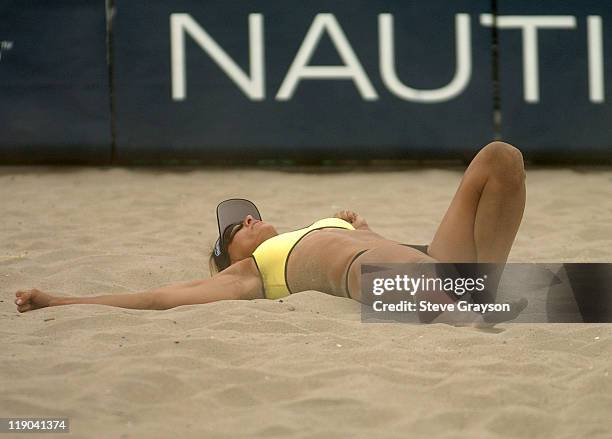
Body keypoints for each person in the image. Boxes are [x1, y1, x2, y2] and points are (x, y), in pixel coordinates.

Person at [14, 142, 527, 325]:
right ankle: (476, 301)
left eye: (248, 215)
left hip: (423, 264)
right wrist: (59, 300)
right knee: (431, 281)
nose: (248, 221)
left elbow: (386, 244)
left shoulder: (321, 224)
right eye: (236, 229)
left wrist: (368, 228)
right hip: (373, 278)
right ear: (229, 257)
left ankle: (482, 291)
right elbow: (158, 299)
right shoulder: (249, 273)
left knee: (500, 159)